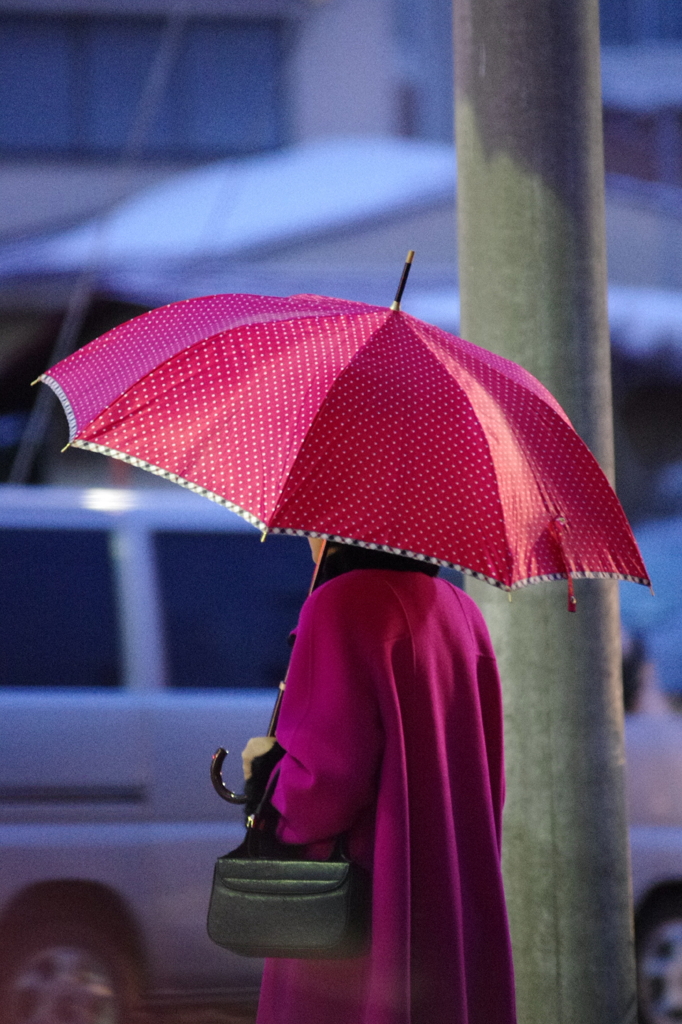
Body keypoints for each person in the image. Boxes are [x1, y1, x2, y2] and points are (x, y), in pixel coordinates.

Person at [242, 539, 517, 1024]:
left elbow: (320, 792)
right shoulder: (464, 615)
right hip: (450, 904)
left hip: (356, 920)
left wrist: (268, 775)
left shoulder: (337, 605)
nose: (308, 535)